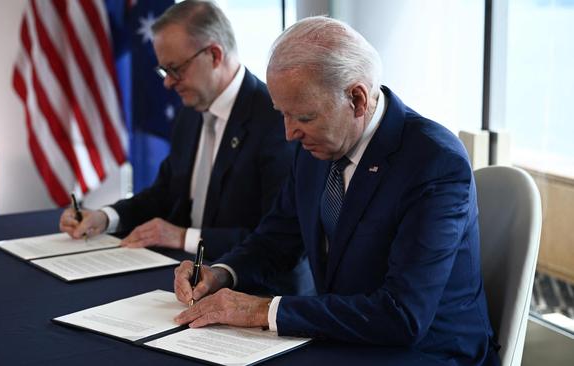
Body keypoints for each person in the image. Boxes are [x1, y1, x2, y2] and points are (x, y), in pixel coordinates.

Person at [172, 16, 501, 365]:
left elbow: (403, 315)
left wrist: (261, 309)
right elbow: (276, 239)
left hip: (429, 352)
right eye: (282, 114)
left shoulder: (434, 162)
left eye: (303, 117)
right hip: (343, 339)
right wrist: (222, 273)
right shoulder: (314, 148)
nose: (289, 134)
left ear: (357, 99)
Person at [59, 0, 313, 294]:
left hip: (256, 289)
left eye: (175, 69)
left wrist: (183, 237)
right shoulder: (190, 111)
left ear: (214, 55)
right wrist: (105, 217)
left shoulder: (276, 120)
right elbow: (165, 192)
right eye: (163, 70)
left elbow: (278, 238)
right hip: (186, 277)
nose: (167, 83)